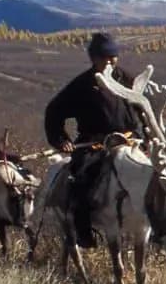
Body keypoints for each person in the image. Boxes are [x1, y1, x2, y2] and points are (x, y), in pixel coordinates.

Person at [43, 31, 140, 246]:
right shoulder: (81, 86)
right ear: (93, 58)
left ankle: (157, 226)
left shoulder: (128, 80)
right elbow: (54, 112)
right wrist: (61, 140)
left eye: (113, 56)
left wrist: (148, 136)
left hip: (130, 140)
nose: (110, 61)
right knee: (81, 180)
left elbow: (142, 111)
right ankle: (83, 229)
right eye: (105, 57)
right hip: (95, 145)